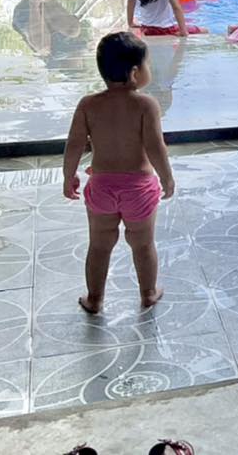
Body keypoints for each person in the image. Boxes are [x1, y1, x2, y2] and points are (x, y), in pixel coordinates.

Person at [61, 31, 175, 313]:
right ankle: (148, 293)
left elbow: (74, 143)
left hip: (101, 188)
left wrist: (69, 175)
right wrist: (166, 177)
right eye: (148, 64)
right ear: (135, 73)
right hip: (139, 190)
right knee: (143, 245)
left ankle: (94, 299)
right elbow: (155, 147)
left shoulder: (88, 104)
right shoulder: (146, 105)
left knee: (99, 246)